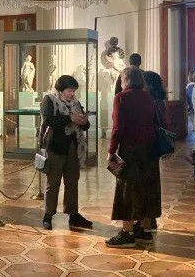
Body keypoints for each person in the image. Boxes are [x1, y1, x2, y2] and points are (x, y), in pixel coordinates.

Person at [106, 66, 161, 248]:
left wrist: (111, 151)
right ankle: (145, 230)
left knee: (127, 190)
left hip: (130, 149)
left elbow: (117, 128)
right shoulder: (148, 97)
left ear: (125, 80)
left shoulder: (121, 98)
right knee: (148, 187)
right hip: (150, 149)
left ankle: (127, 233)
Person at [39, 75, 93, 230]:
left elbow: (85, 125)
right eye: (69, 90)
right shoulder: (49, 99)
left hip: (73, 147)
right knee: (53, 182)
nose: (72, 94)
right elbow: (48, 120)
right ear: (61, 89)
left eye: (74, 91)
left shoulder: (76, 102)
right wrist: (70, 118)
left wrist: (84, 122)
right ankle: (48, 215)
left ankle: (73, 214)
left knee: (72, 182)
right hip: (55, 147)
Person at [141, 71, 166, 233]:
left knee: (145, 183)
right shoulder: (159, 100)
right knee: (152, 182)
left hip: (146, 144)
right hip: (154, 145)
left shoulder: (148, 101)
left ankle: (146, 219)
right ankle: (150, 218)